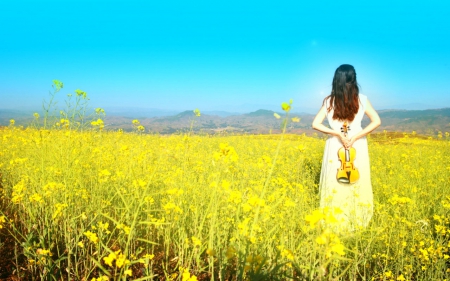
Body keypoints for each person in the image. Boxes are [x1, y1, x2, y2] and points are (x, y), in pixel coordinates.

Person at [312, 64, 381, 231]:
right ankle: (358, 220)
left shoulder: (329, 101)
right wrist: (356, 136)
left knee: (333, 182)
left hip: (335, 144)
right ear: (354, 79)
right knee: (358, 181)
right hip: (357, 144)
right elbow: (377, 121)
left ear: (336, 80)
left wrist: (336, 133)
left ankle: (333, 221)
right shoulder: (362, 99)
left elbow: (315, 124)